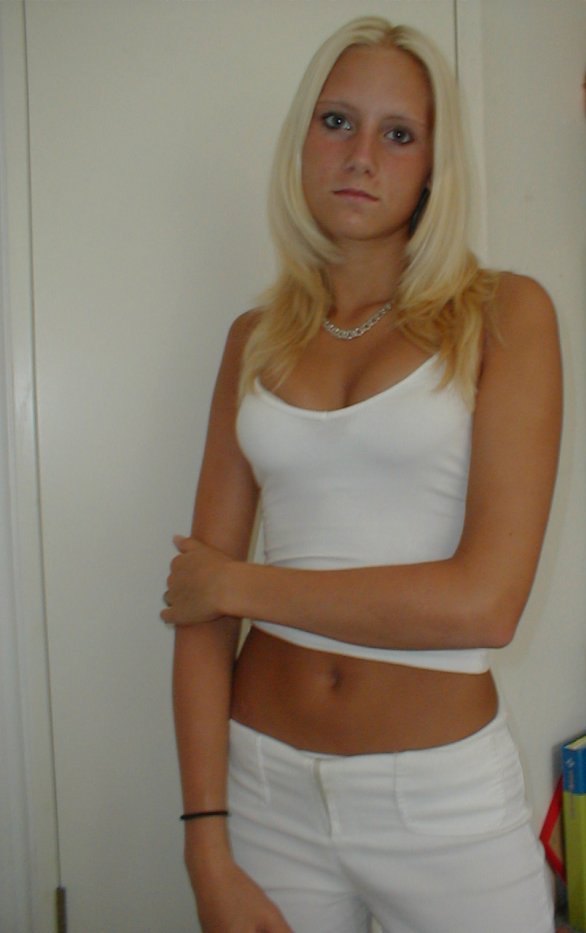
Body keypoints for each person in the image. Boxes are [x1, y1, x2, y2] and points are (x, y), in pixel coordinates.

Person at [162, 15, 562, 933]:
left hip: (441, 799)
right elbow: (196, 611)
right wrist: (204, 844)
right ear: (303, 138)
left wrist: (240, 584)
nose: (362, 157)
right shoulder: (252, 339)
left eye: (400, 133)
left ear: (433, 167)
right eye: (337, 121)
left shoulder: (505, 313)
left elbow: (485, 604)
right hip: (264, 786)